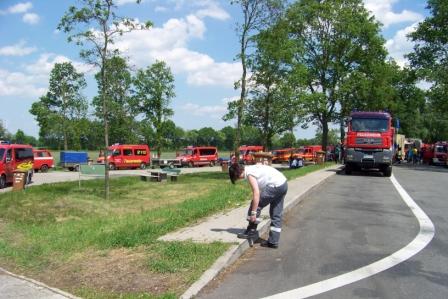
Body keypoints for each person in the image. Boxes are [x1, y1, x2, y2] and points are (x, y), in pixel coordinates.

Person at [228, 163, 288, 249]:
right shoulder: (252, 167)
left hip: (275, 186)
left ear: (239, 171)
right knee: (276, 214)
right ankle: (273, 242)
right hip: (283, 184)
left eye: (237, 177)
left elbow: (256, 193)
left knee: (255, 205)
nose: (238, 179)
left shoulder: (250, 174)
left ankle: (250, 232)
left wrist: (253, 213)